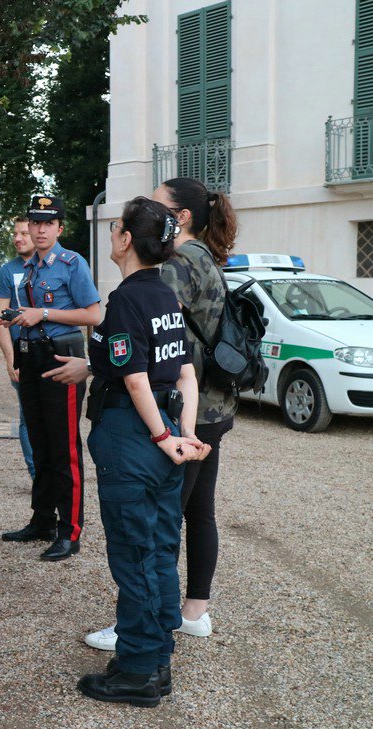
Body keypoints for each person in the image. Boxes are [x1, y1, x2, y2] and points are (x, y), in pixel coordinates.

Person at [83, 179, 239, 651]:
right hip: (201, 408)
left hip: (168, 413)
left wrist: (166, 434)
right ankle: (189, 612)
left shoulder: (164, 273)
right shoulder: (205, 257)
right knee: (195, 513)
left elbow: (142, 361)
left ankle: (143, 630)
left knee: (152, 531)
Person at [76, 197, 209, 708]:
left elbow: (134, 378)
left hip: (135, 438)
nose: (112, 235)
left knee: (135, 554)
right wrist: (184, 433)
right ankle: (153, 660)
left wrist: (161, 436)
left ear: (128, 239)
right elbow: (186, 374)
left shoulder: (130, 299)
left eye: (115, 228)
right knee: (157, 550)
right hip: (164, 432)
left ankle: (138, 671)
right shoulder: (165, 296)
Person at [0, 195, 102, 561]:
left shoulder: (71, 263)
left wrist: (41, 313)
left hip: (62, 357)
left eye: (48, 223)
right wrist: (18, 317)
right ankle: (42, 519)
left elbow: (93, 314)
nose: (40, 229)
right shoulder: (30, 268)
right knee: (40, 444)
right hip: (32, 356)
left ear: (60, 228)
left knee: (64, 448)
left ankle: (70, 530)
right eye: (35, 223)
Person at [0, 215, 37, 478]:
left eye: (23, 233)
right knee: (28, 416)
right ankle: (36, 475)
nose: (18, 238)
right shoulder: (7, 273)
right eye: (15, 234)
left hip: (54, 352)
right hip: (24, 353)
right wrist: (10, 359)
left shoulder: (60, 265)